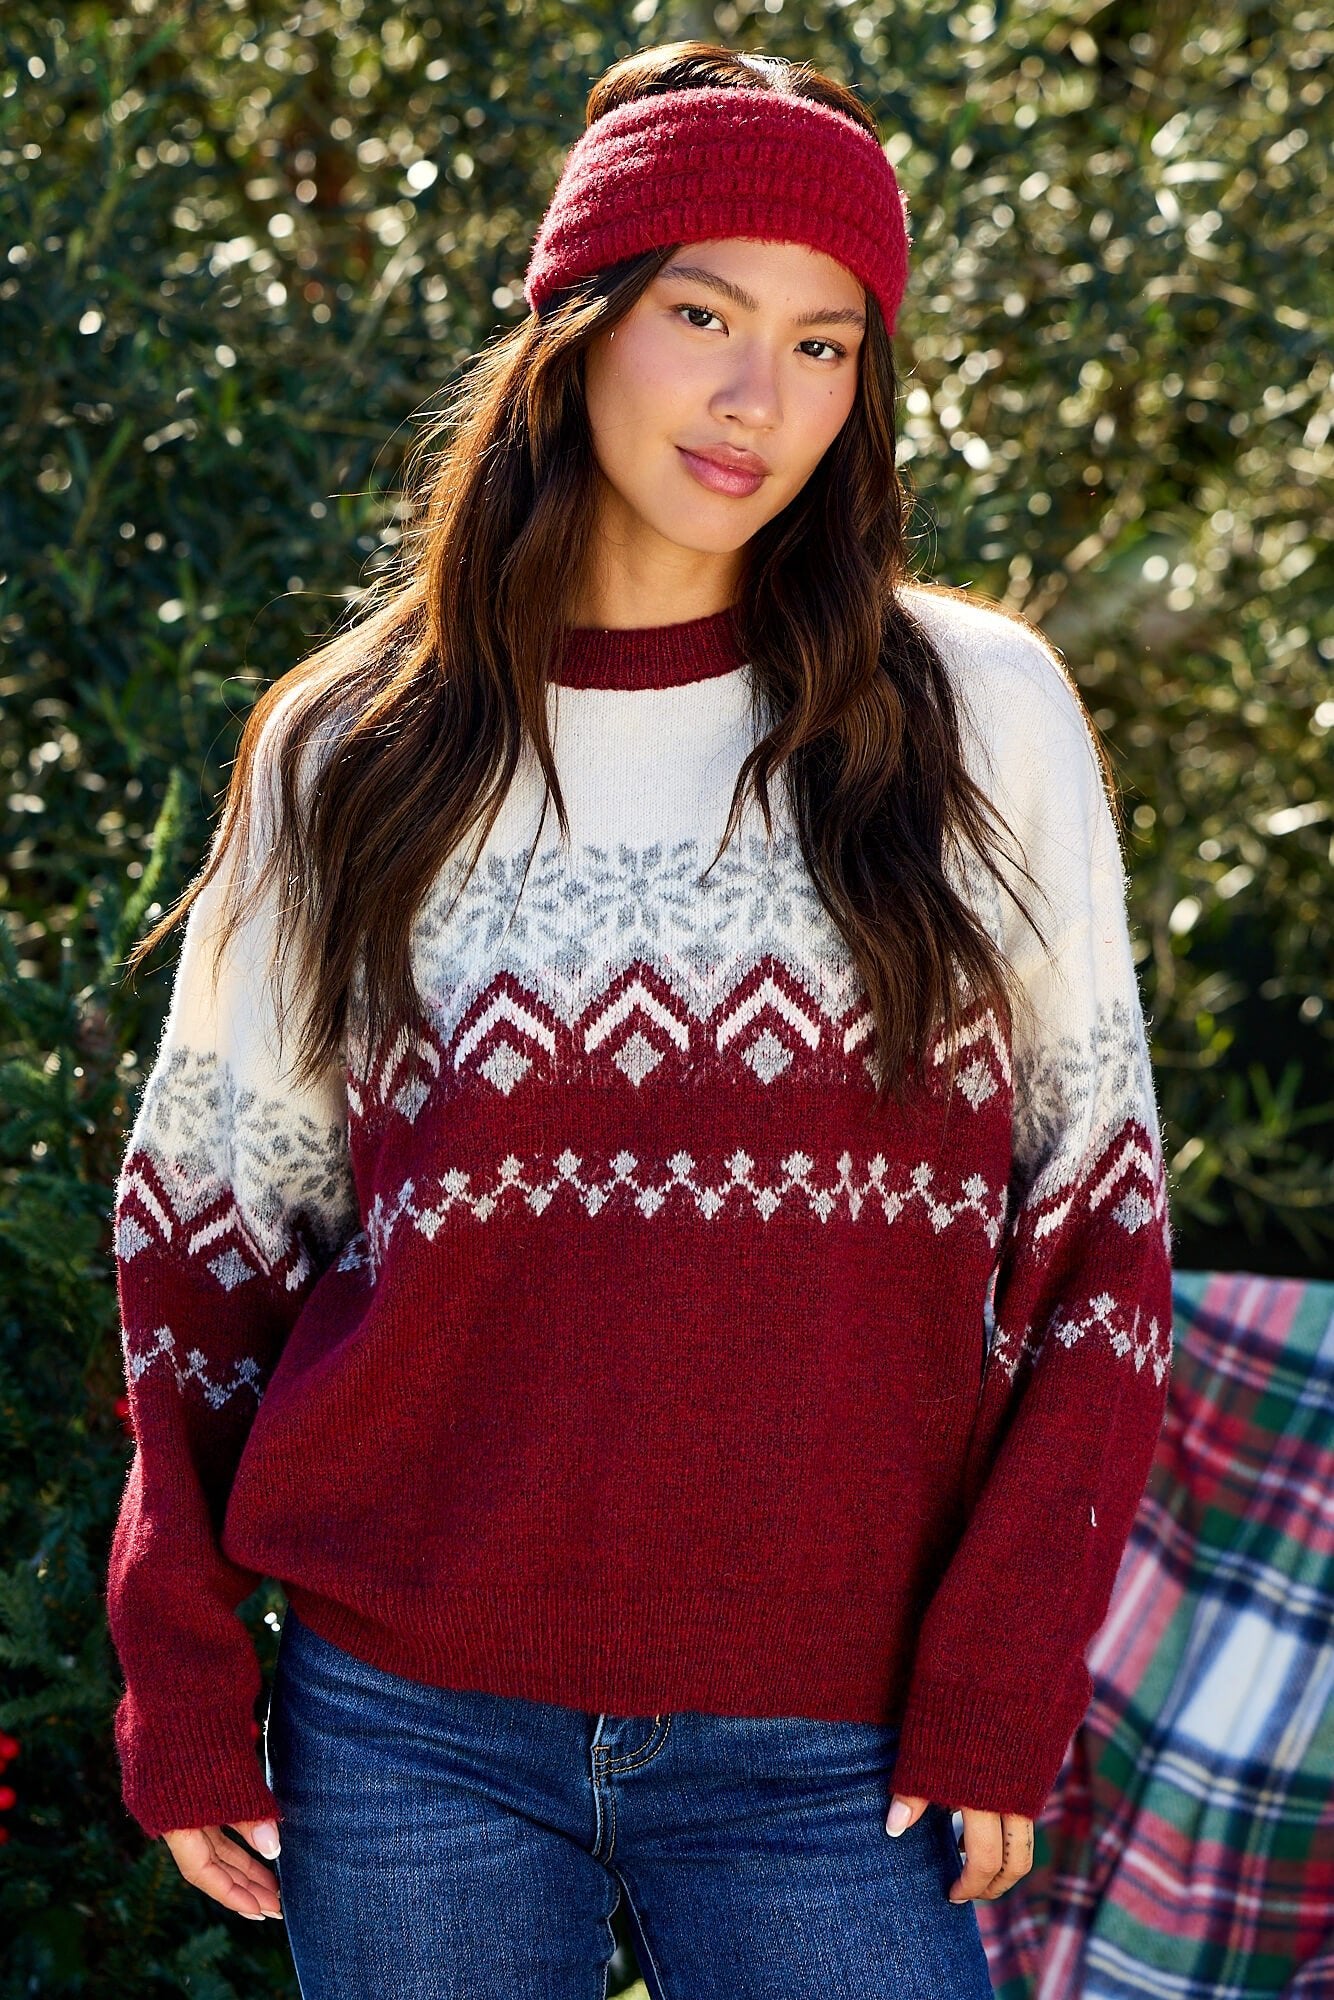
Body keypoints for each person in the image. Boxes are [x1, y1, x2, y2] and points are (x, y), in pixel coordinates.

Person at [104, 39, 1174, 2000]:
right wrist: (178, 1662)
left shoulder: (973, 717)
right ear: (576, 322)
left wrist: (1000, 1657)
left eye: (825, 340)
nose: (759, 397)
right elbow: (204, 1242)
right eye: (703, 313)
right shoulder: (352, 749)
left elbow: (1098, 1229)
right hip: (409, 1716)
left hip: (838, 1743)